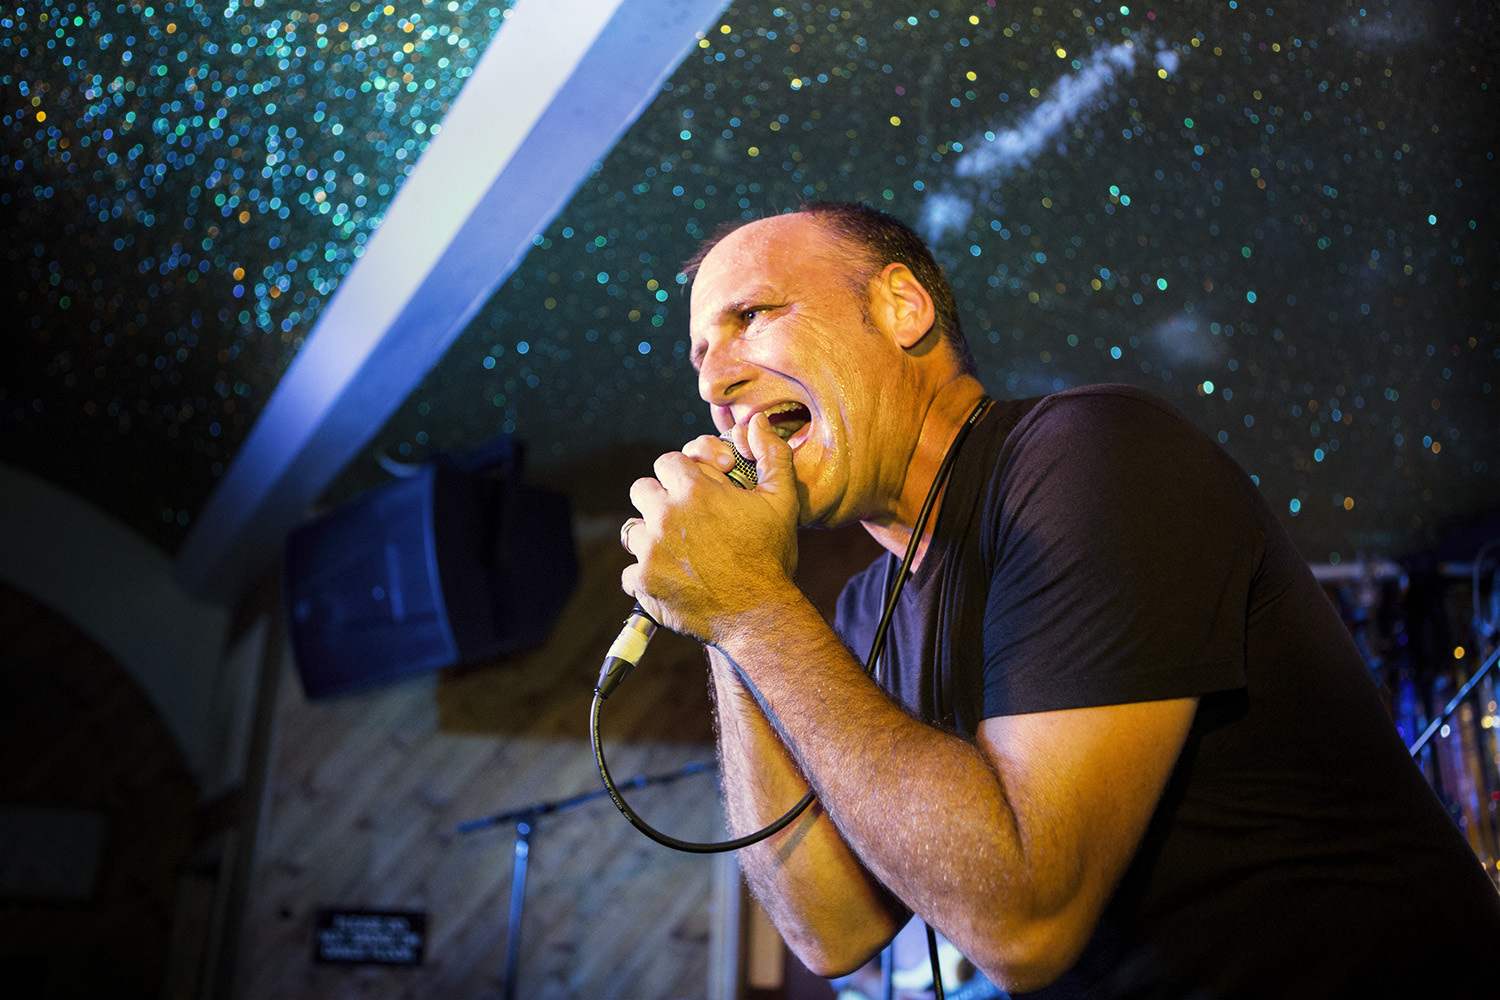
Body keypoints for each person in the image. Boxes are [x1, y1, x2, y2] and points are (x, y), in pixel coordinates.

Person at [617, 202, 1500, 998]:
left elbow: (1023, 918)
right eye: (700, 354)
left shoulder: (1091, 453)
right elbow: (833, 930)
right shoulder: (851, 618)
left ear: (902, 307)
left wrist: (750, 609)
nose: (713, 380)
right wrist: (725, 616)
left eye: (752, 317)